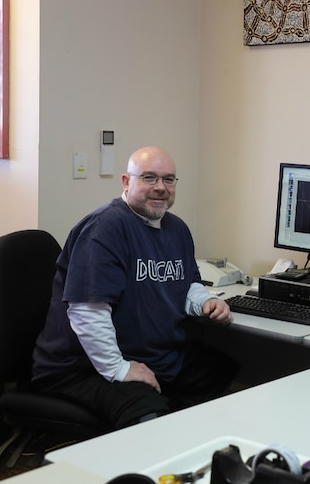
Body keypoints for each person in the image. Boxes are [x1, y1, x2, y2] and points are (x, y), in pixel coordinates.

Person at [32, 146, 239, 429]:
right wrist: (119, 368)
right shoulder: (105, 228)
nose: (160, 188)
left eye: (169, 179)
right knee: (146, 414)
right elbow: (87, 311)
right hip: (83, 368)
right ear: (126, 182)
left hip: (151, 355)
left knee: (220, 371)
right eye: (149, 178)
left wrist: (204, 301)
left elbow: (186, 281)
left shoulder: (176, 229)